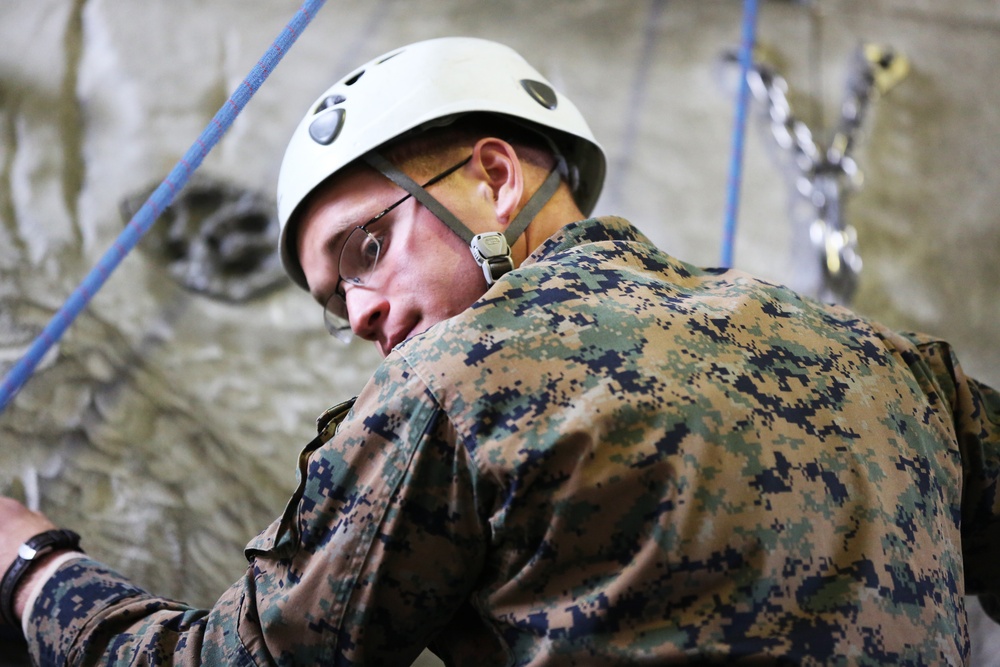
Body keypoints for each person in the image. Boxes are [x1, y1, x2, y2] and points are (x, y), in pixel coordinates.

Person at [1, 35, 998, 666]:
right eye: (332, 296)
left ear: (491, 178)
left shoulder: (454, 384)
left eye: (366, 248)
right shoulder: (901, 364)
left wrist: (32, 562)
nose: (355, 315)